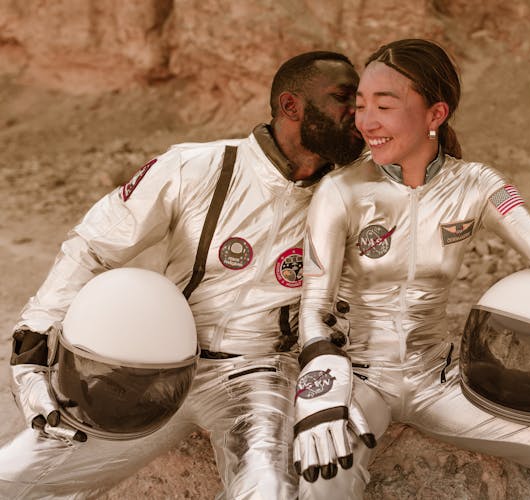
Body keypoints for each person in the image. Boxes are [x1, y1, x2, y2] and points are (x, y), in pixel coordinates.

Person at [292, 39, 530, 500]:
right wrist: (320, 385)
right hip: (359, 380)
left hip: (438, 380)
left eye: (384, 106)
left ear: (435, 115)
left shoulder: (475, 184)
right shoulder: (340, 190)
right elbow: (313, 305)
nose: (366, 122)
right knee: (326, 472)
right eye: (360, 106)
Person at [0, 50, 363, 499]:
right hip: (153, 368)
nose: (358, 112)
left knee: (267, 487)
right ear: (292, 107)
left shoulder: (354, 195)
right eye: (344, 98)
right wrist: (34, 336)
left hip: (259, 373)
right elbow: (95, 246)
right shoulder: (196, 167)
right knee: (11, 476)